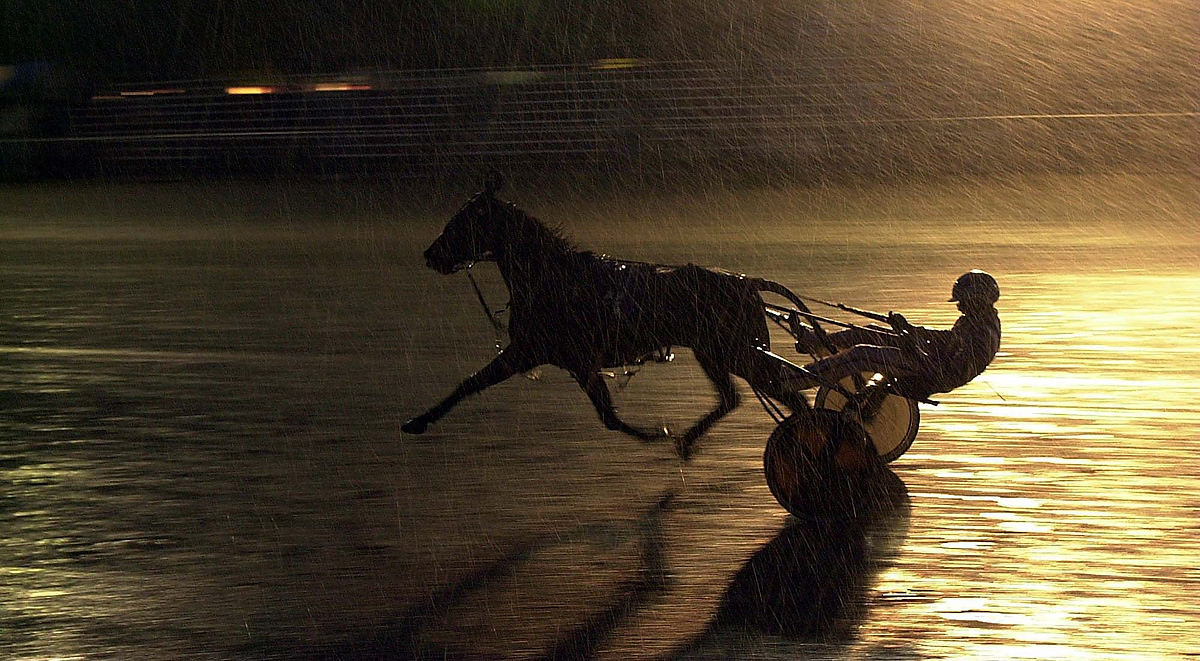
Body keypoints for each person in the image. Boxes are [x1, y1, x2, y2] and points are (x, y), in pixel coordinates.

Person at [790, 270, 1001, 401]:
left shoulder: (984, 333)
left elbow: (953, 370)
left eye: (962, 301)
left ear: (977, 299)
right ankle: (817, 343)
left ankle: (793, 379)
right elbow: (945, 340)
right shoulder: (974, 320)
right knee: (870, 332)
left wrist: (913, 344)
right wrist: (908, 329)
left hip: (930, 375)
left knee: (863, 355)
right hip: (927, 360)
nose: (958, 306)